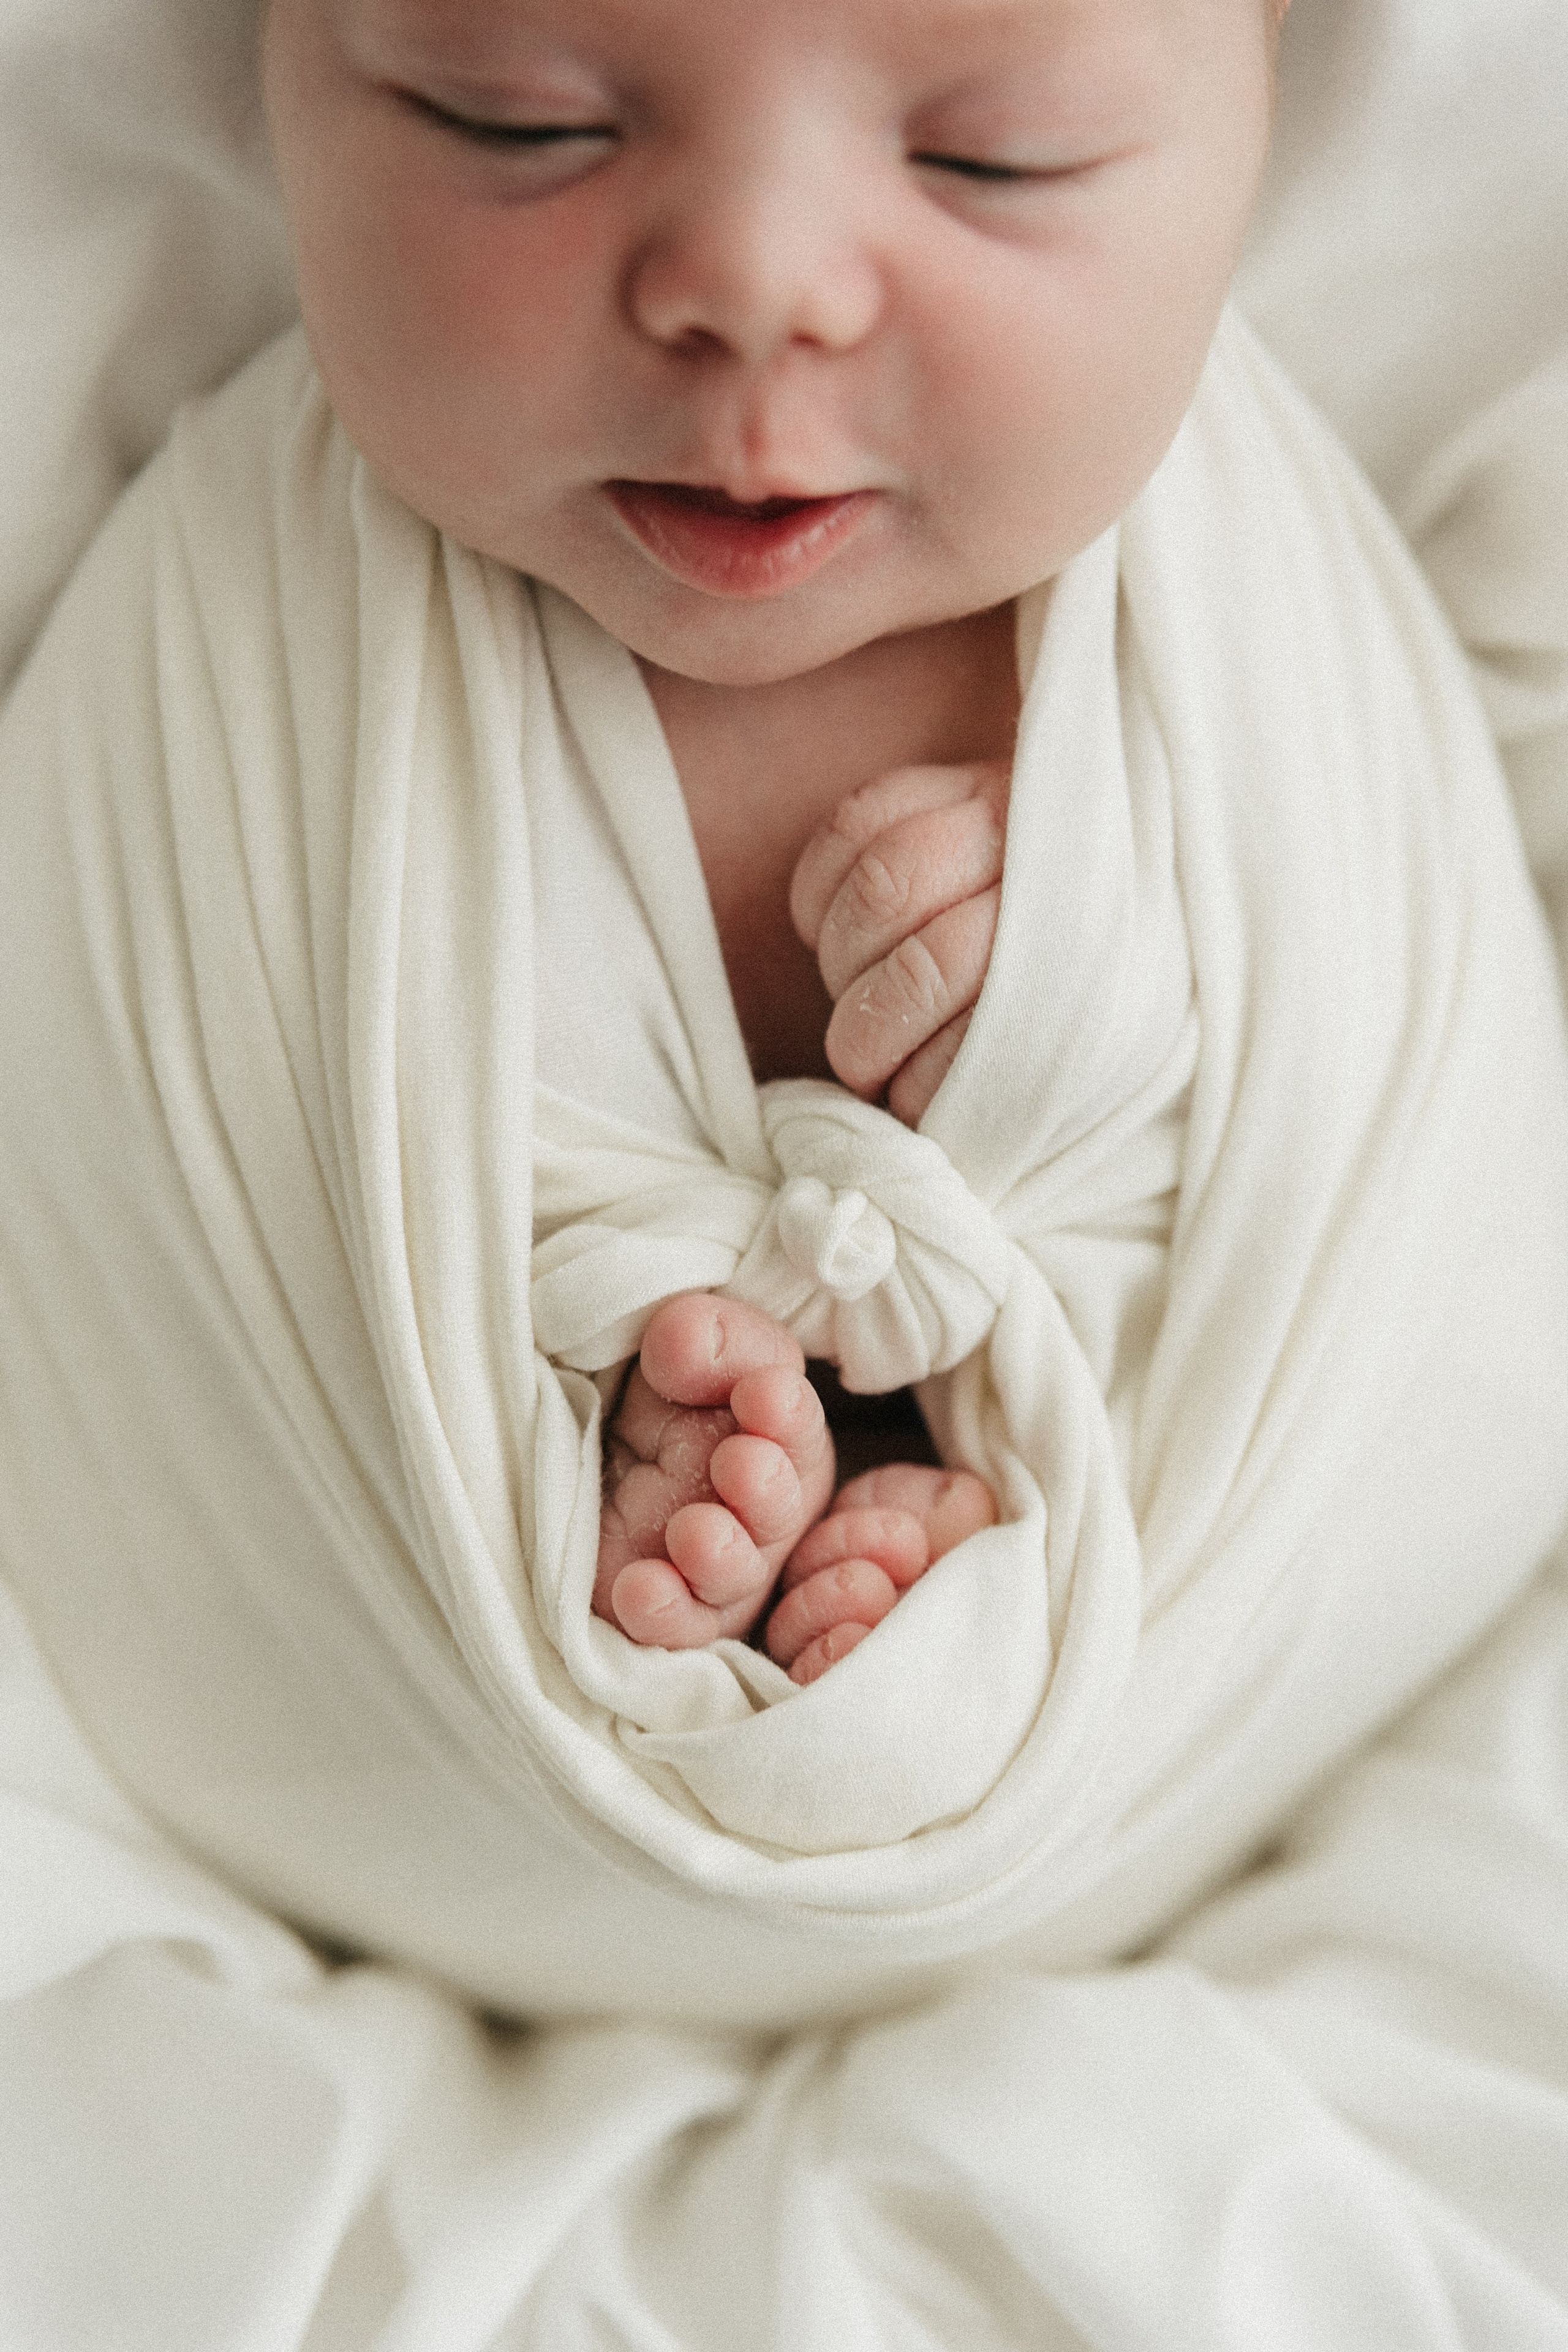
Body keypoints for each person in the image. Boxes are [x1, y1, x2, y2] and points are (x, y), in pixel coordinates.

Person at [260, 0, 1286, 1681]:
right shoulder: (237, 632)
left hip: (1243, 1705)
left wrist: (1107, 946)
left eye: (991, 154)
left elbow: (1395, 1050)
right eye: (520, 123)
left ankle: (958, 1520)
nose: (755, 284)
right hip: (312, 1700)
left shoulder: (1254, 624)